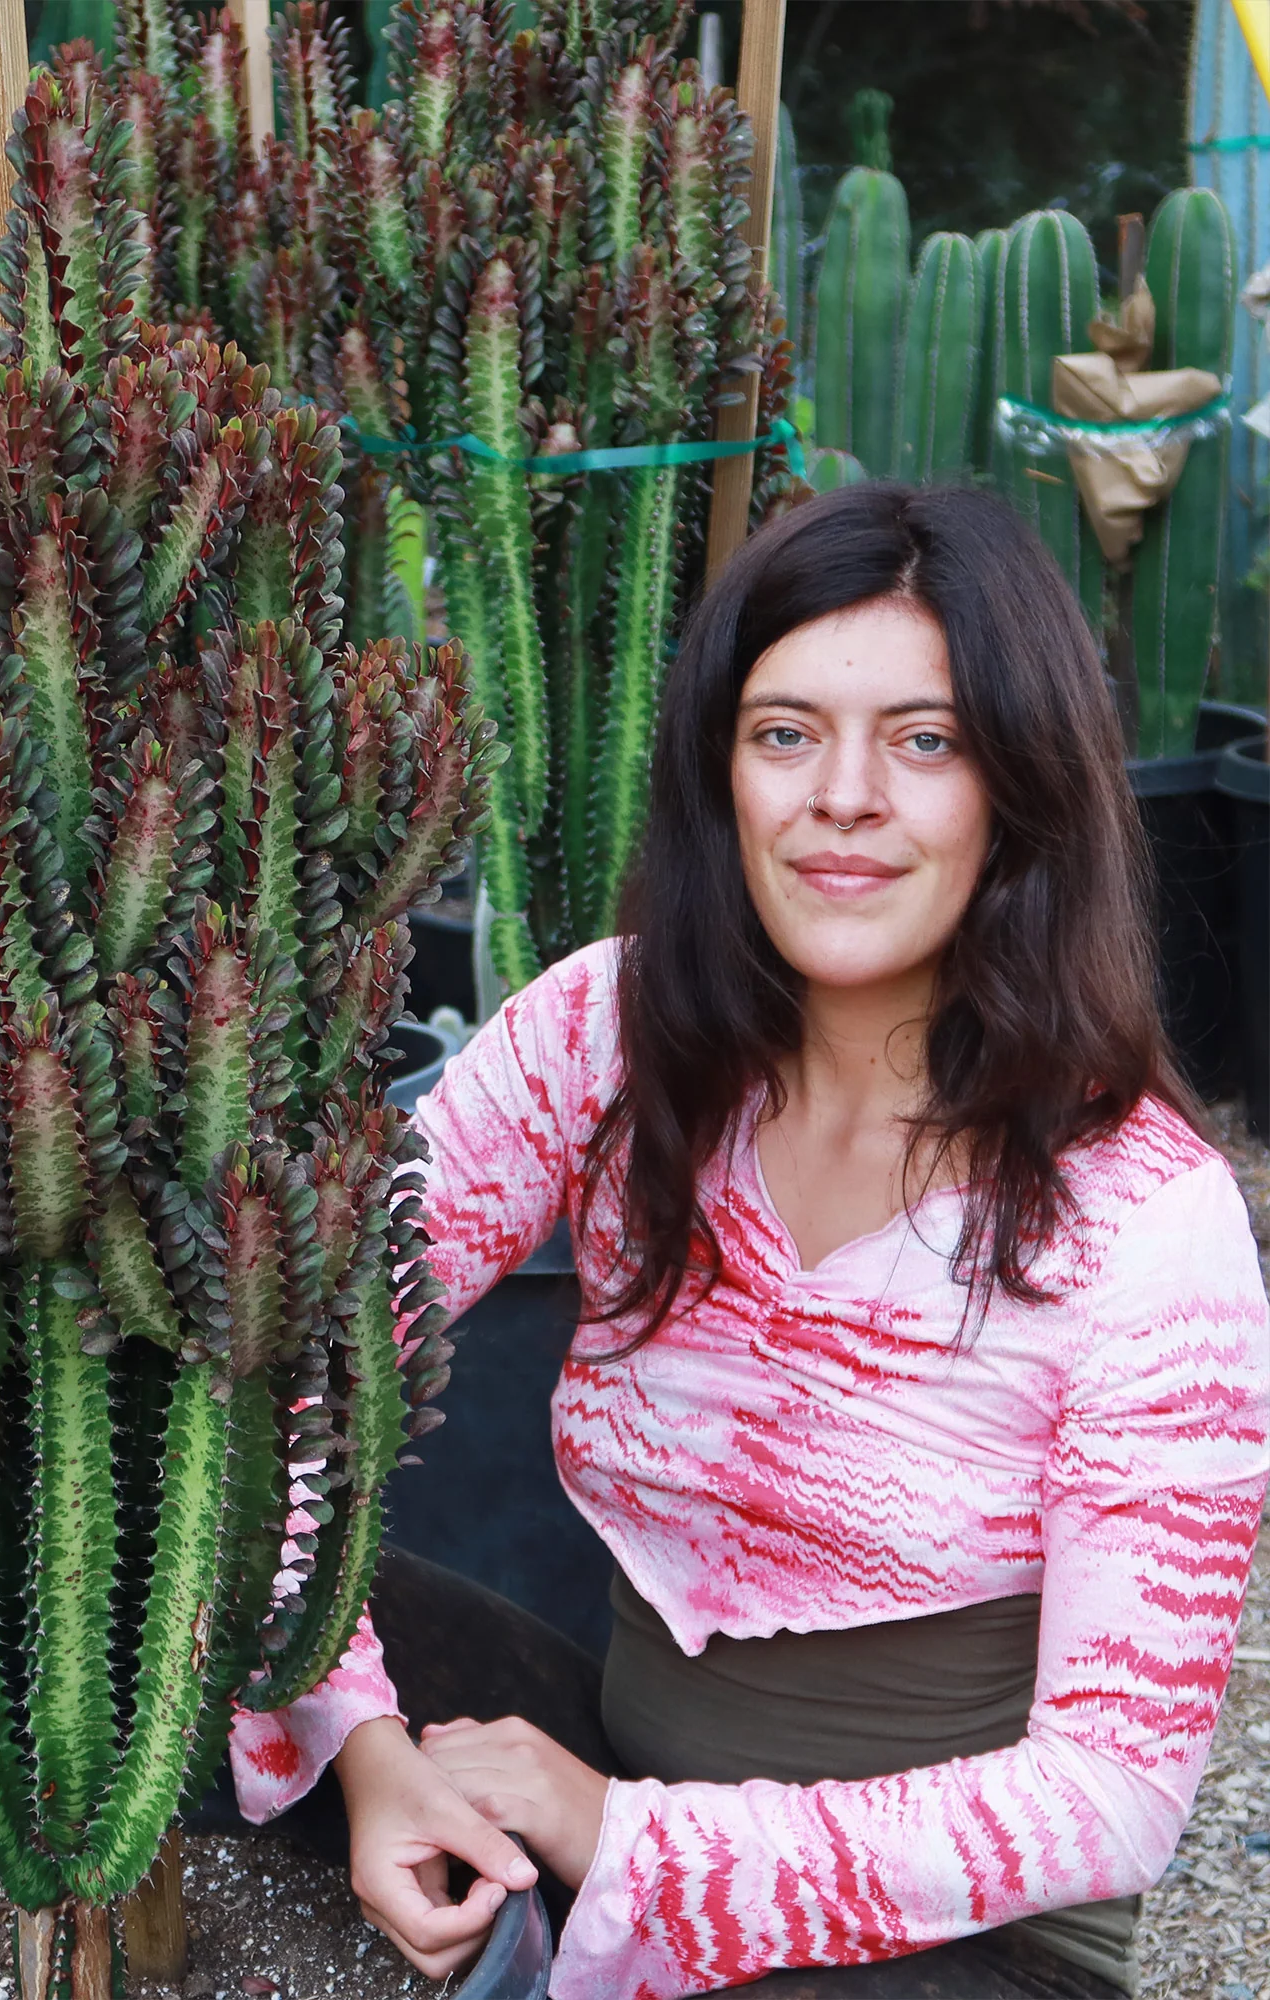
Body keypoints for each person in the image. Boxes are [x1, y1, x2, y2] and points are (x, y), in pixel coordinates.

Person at [227, 482, 1270, 1997]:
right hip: (626, 1760)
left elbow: (1109, 1798)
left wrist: (624, 1841)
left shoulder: (1144, 1216)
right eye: (786, 733)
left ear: (1020, 786)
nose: (843, 796)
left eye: (926, 741)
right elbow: (297, 1362)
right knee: (159, 1554)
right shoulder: (607, 1034)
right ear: (723, 771)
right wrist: (369, 1749)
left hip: (955, 1941)